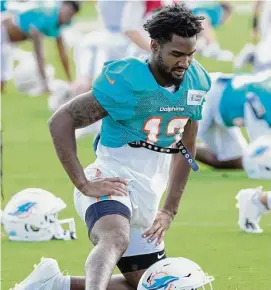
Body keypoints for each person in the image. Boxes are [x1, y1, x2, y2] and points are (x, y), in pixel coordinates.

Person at [12, 4, 211, 290]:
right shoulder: (129, 79)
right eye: (176, 54)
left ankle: (54, 285)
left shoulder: (197, 81)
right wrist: (83, 183)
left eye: (190, 54)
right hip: (112, 177)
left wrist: (169, 209)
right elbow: (61, 120)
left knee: (148, 284)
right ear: (154, 46)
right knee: (115, 238)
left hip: (149, 191)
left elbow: (187, 146)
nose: (184, 63)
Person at [196, 70, 271, 169]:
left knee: (236, 160)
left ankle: (183, 150)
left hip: (222, 96)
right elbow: (260, 147)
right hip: (207, 92)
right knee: (181, 138)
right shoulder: (263, 100)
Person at [1, 1, 80, 93]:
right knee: (2, 74)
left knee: (4, 74)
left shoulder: (57, 22)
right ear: (62, 7)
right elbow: (39, 54)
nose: (67, 17)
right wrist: (45, 83)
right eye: (67, 12)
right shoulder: (47, 17)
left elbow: (62, 53)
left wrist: (70, 80)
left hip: (8, 39)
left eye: (71, 15)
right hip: (3, 31)